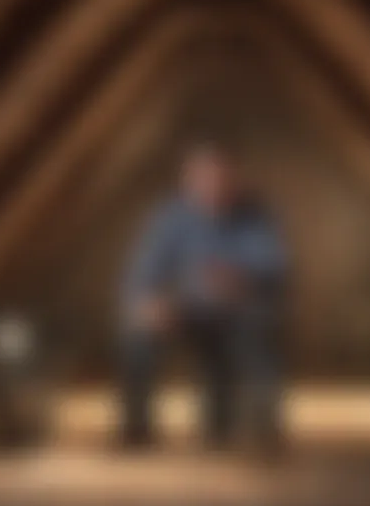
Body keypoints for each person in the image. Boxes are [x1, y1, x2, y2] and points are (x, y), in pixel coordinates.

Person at [118, 141, 287, 451]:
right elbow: (144, 271)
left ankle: (263, 431)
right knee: (139, 332)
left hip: (238, 312)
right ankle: (136, 427)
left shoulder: (254, 215)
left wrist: (241, 279)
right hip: (188, 311)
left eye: (222, 178)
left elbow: (273, 266)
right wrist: (151, 300)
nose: (214, 187)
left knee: (258, 329)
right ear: (188, 181)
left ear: (235, 179)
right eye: (204, 179)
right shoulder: (170, 217)